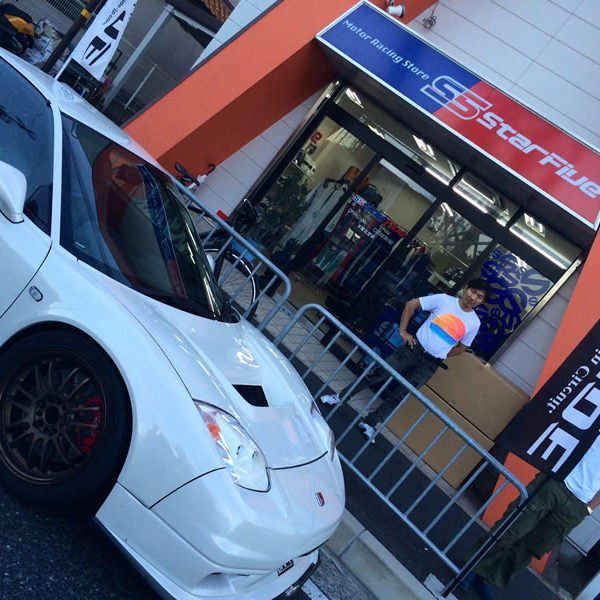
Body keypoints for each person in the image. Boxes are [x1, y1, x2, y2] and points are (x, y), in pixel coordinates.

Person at [321, 278, 491, 442]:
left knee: (400, 395)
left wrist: (443, 353)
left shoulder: (474, 323)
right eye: (473, 291)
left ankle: (370, 423)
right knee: (377, 374)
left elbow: (462, 347)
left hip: (430, 365)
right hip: (413, 349)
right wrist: (403, 331)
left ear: (482, 302)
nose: (473, 297)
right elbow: (411, 304)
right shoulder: (444, 300)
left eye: (479, 297)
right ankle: (340, 397)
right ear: (466, 288)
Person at [463, 436, 600, 600]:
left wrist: (588, 509)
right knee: (512, 528)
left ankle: (488, 578)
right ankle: (472, 568)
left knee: (532, 547)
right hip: (557, 482)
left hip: (579, 504)